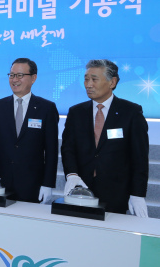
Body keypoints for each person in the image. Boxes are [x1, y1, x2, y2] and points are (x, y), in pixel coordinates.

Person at [61, 59, 149, 217]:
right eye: (86, 79)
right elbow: (68, 148)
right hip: (80, 191)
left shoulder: (131, 112)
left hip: (116, 194)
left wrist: (138, 193)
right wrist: (72, 174)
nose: (88, 84)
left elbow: (139, 157)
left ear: (112, 82)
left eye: (94, 79)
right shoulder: (76, 112)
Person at [0, 58, 58, 203]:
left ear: (33, 78)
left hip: (32, 184)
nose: (14, 80)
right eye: (11, 75)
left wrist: (48, 183)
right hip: (0, 182)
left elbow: (51, 149)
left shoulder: (46, 108)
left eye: (20, 75)